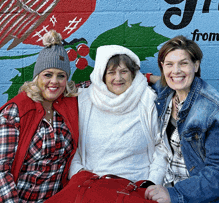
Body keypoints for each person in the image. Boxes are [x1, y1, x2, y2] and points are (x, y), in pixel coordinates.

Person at [145, 35, 219, 203]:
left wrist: (174, 194)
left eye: (183, 63)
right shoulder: (167, 93)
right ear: (162, 67)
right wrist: (145, 76)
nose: (176, 70)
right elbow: (161, 82)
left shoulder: (212, 109)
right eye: (169, 64)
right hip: (180, 186)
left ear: (196, 65)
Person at [0, 30, 79, 203]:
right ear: (37, 77)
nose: (54, 81)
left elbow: (104, 85)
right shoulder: (15, 113)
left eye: (61, 76)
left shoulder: (67, 106)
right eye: (48, 74)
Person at [69, 44, 167, 185]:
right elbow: (72, 147)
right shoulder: (84, 100)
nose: (118, 78)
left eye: (124, 71)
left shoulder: (147, 99)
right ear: (102, 76)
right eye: (111, 72)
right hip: (93, 185)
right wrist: (80, 175)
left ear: (133, 74)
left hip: (138, 186)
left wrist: (152, 182)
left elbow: (161, 146)